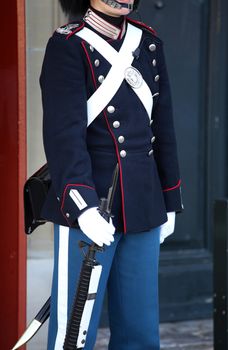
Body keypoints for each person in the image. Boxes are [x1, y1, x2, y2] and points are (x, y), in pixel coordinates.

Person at [40, 0, 183, 348]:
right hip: (90, 204)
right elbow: (64, 137)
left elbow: (162, 127)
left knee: (140, 332)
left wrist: (169, 198)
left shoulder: (147, 41)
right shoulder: (68, 44)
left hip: (144, 203)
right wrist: (83, 206)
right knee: (74, 335)